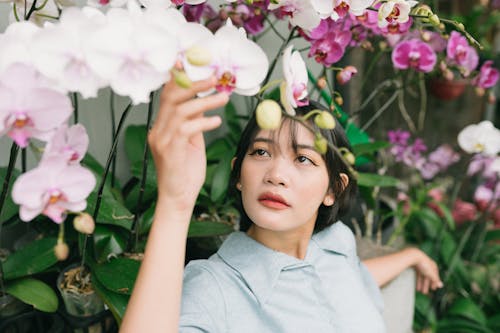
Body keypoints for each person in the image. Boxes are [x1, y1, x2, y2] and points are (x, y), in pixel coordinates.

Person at [120, 75, 443, 332]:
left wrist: (410, 256)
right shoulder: (214, 289)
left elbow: (351, 280)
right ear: (238, 175)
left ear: (333, 189)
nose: (276, 174)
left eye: (302, 158)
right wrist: (176, 204)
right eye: (261, 152)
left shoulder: (337, 244)